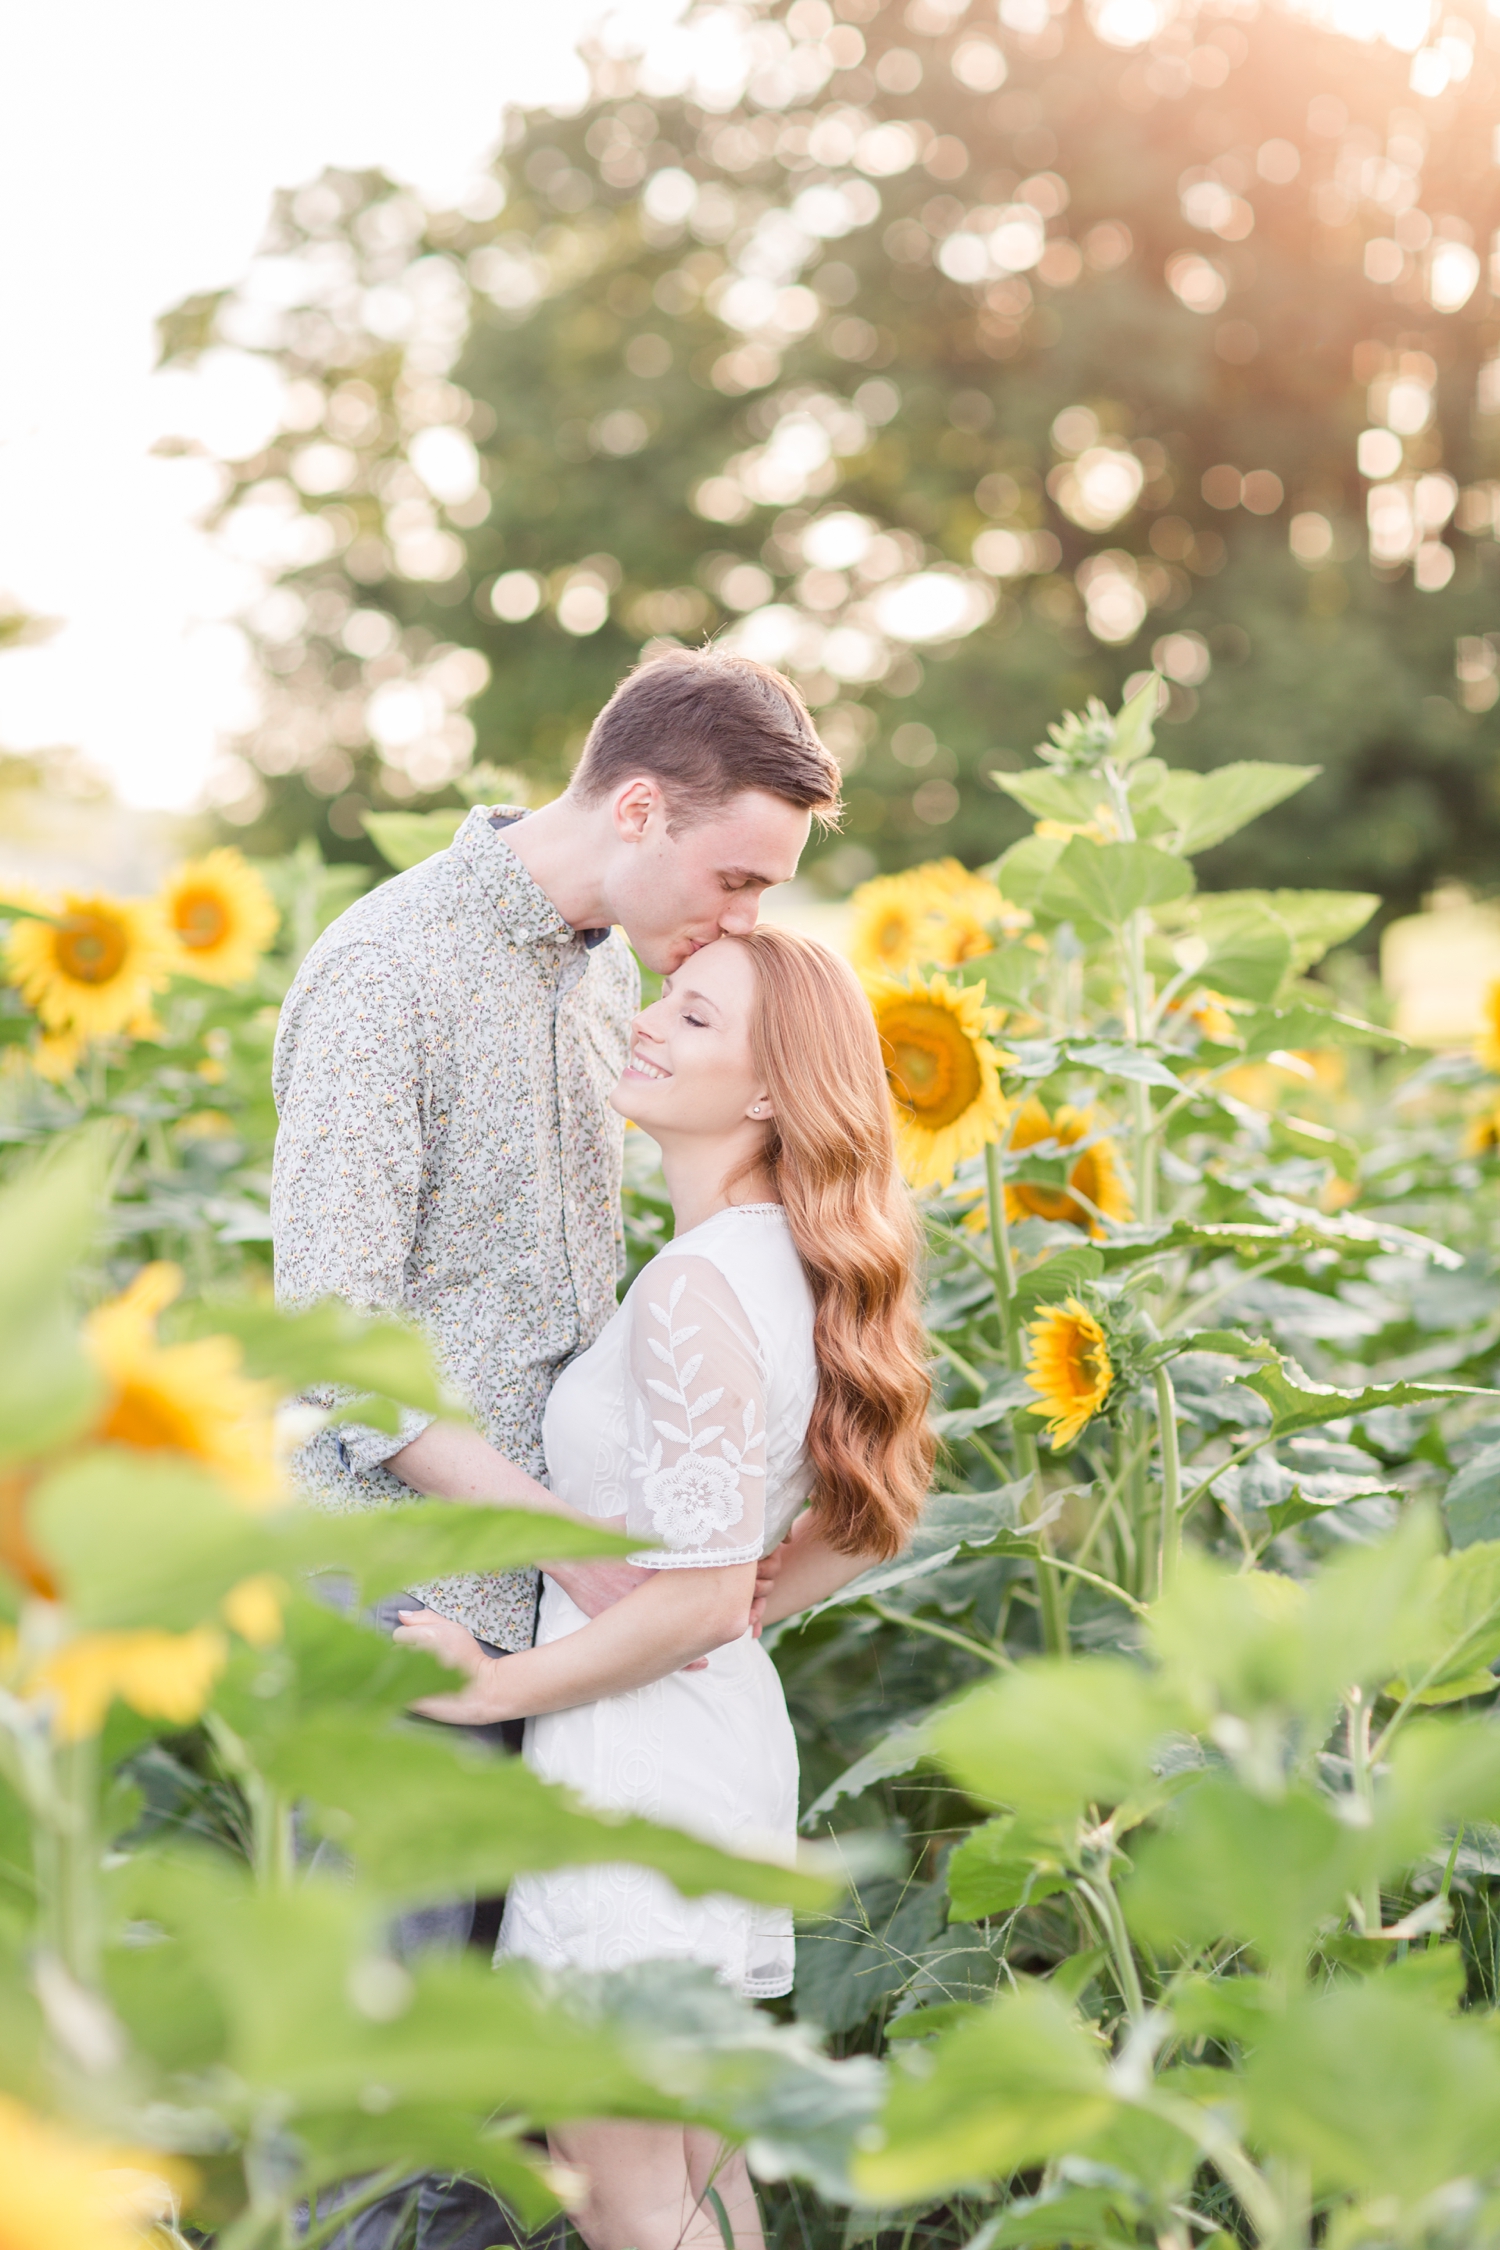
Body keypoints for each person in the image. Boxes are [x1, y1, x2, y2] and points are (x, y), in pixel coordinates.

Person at [271, 650, 842, 2248]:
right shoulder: (392, 970)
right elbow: (336, 1352)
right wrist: (618, 1574)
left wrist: (669, 1589)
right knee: (382, 2101)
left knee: (536, 2126)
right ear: (641, 805)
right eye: (734, 877)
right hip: (411, 1613)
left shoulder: (610, 985)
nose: (740, 921)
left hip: (576, 1636)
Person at [393, 925, 934, 2250]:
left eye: (695, 1019)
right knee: (699, 2179)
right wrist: (737, 1600)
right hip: (705, 1743)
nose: (648, 1021)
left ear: (767, 1092)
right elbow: (866, 1527)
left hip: (637, 1766)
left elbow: (689, 1602)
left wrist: (489, 1686)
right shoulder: (772, 1263)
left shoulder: (702, 1284)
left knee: (635, 2199)